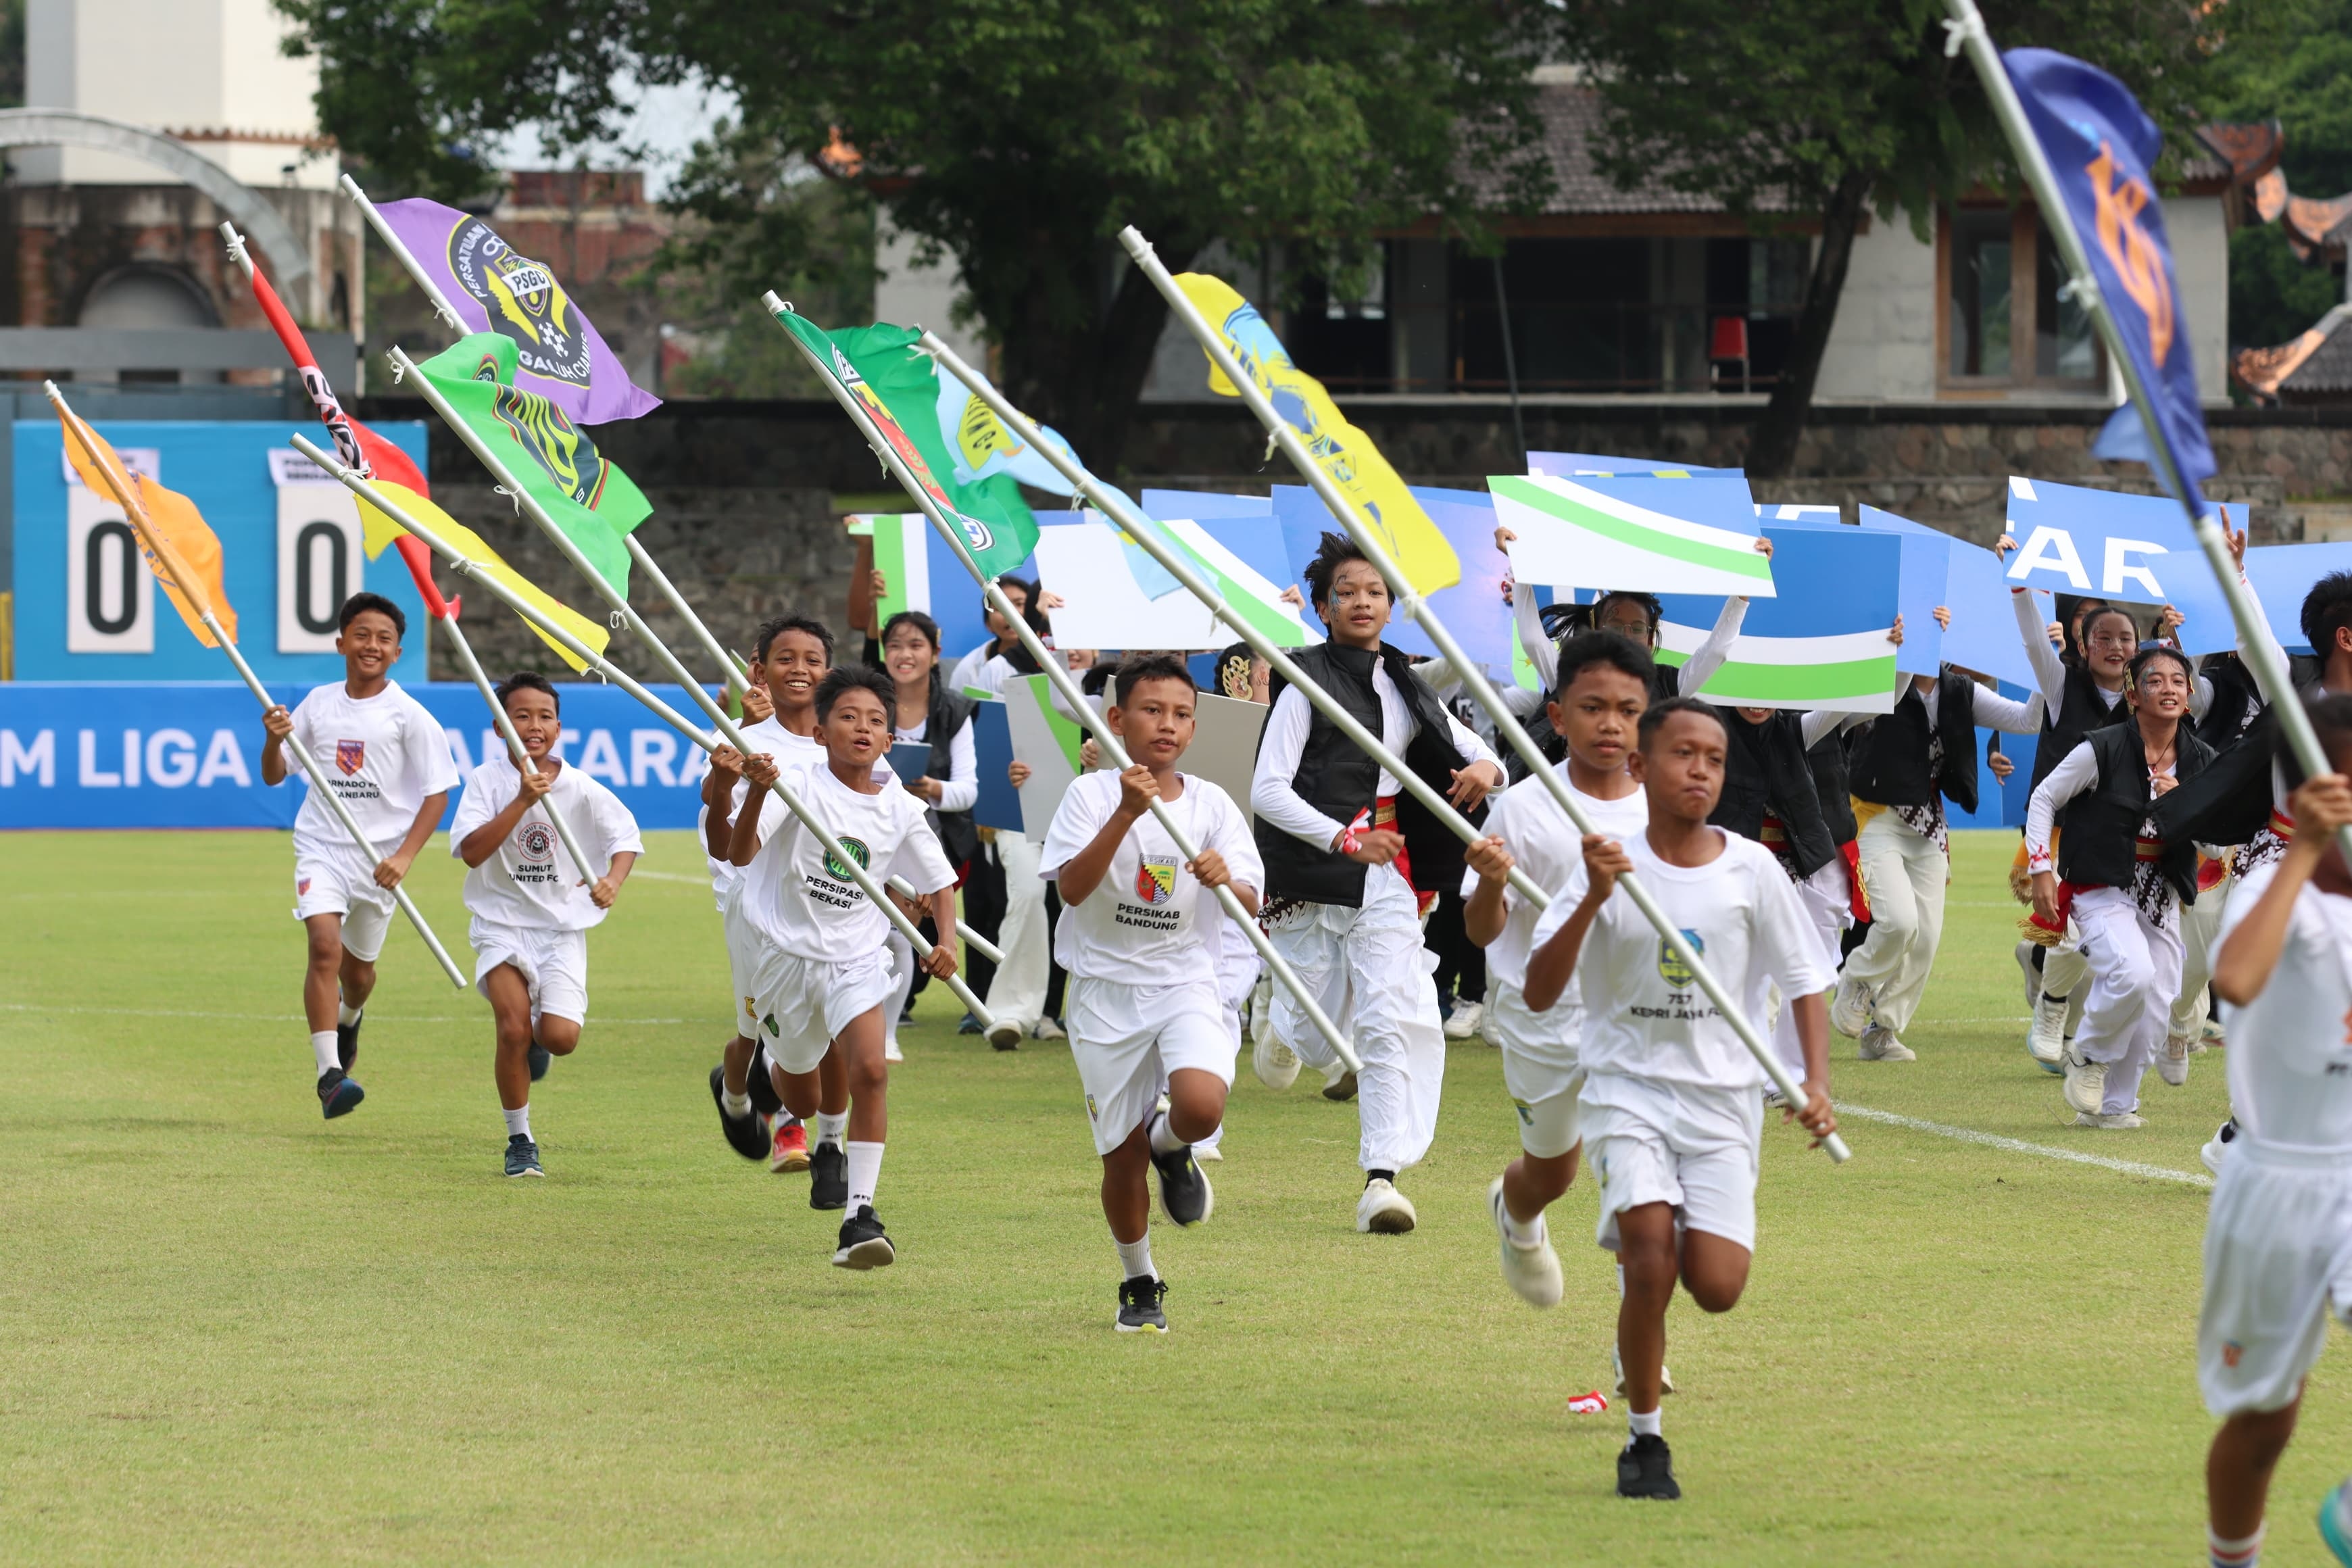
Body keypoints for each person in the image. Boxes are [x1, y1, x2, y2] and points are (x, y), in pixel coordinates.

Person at [1521, 697, 1836, 1501]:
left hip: (1723, 1103)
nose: (1699, 769)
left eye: (1714, 758)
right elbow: (1538, 988)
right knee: (1650, 1254)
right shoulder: (1606, 862)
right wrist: (1593, 896)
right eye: (1682, 754)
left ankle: (1663, 1227)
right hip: (1627, 1091)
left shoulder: (1751, 868)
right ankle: (1645, 1441)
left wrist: (1816, 1082)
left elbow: (1805, 978)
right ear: (1641, 767)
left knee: (1718, 1285)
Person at [1251, 531, 1505, 1234]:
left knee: (1393, 1017)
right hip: (1313, 877)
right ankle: (1279, 1016)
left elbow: (1471, 744)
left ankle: (1381, 1180)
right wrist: (1342, 837)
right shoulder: (1302, 679)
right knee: (1320, 1039)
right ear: (1326, 608)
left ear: (1392, 605)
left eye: (1375, 591)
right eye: (1347, 593)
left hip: (1386, 878)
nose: (1362, 602)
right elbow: (1267, 789)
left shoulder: (1404, 679)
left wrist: (1491, 769)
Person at [1040, 656, 1262, 1331]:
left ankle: (1173, 1143)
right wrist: (1125, 814)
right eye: (1152, 710)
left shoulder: (1211, 804)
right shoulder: (1089, 795)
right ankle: (1140, 1281)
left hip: (1185, 980)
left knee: (1199, 1105)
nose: (1167, 724)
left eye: (1181, 713)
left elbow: (1250, 901)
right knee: (1119, 1156)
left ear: (1194, 727)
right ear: (1116, 721)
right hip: (1106, 994)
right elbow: (1071, 890)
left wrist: (1229, 879)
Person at [729, 666, 961, 1269]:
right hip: (786, 959)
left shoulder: (902, 808)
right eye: (849, 717)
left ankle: (861, 1215)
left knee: (872, 1071)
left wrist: (947, 942)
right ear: (823, 731)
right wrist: (756, 790)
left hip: (858, 957)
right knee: (801, 1095)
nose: (863, 728)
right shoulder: (797, 784)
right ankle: (773, 1076)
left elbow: (940, 883)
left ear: (890, 741)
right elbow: (740, 852)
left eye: (877, 721)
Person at [2195, 700, 2352, 1568]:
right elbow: (2237, 980)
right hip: (2278, 1182)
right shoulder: (2272, 887)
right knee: (2264, 1420)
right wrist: (2306, 848)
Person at [259, 591, 458, 1119]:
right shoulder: (319, 704)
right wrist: (272, 740)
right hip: (322, 849)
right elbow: (276, 774)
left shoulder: (410, 717)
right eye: (362, 635)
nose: (372, 645)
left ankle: (350, 1018)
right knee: (324, 947)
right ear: (342, 641)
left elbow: (438, 793)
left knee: (360, 974)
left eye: (384, 639)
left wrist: (406, 858)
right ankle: (330, 1076)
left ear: (397, 652)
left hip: (380, 863)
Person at [448, 674, 642, 1177]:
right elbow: (471, 853)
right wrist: (520, 801)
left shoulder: (579, 786)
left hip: (560, 931)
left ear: (559, 727)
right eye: (521, 716)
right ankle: (520, 1139)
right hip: (500, 925)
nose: (534, 726)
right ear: (498, 725)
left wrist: (612, 881)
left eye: (545, 717)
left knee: (558, 1037)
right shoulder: (486, 782)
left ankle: (540, 1040)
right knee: (511, 1027)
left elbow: (625, 837)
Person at [2026, 645, 2215, 1129]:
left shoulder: (2202, 761)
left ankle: (2113, 1107)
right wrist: (2041, 867)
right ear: (2132, 693)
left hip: (2163, 892)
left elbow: (2217, 846)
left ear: (2190, 695)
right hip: (2101, 883)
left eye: (2178, 680)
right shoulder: (2102, 747)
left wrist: (2190, 806)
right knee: (2131, 972)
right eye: (2155, 680)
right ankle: (2088, 1057)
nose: (2168, 688)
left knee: (2158, 1003)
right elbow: (2046, 796)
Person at [1834, 644, 2046, 1062]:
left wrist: (2041, 667)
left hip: (1928, 822)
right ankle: (1856, 980)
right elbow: (1891, 694)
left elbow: (2028, 719)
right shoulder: (1884, 679)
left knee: (1927, 938)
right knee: (1898, 921)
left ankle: (1884, 1029)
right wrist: (1899, 649)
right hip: (1876, 814)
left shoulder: (1960, 690)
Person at [704, 616, 862, 1171]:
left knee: (825, 1022)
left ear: (829, 670)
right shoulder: (749, 731)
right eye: (785, 658)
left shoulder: (842, 731)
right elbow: (715, 804)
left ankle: (812, 1139)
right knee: (755, 1030)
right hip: (755, 904)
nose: (799, 670)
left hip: (828, 906)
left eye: (812, 660)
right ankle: (735, 1094)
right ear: (761, 668)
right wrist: (735, 755)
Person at [877, 611, 979, 1050]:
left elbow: (968, 791)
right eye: (896, 645)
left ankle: (886, 1033)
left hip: (932, 835)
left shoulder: (954, 709)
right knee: (875, 934)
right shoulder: (868, 700)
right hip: (872, 828)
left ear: (935, 653)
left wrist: (930, 787)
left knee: (900, 934)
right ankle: (869, 1020)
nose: (905, 654)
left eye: (916, 645)